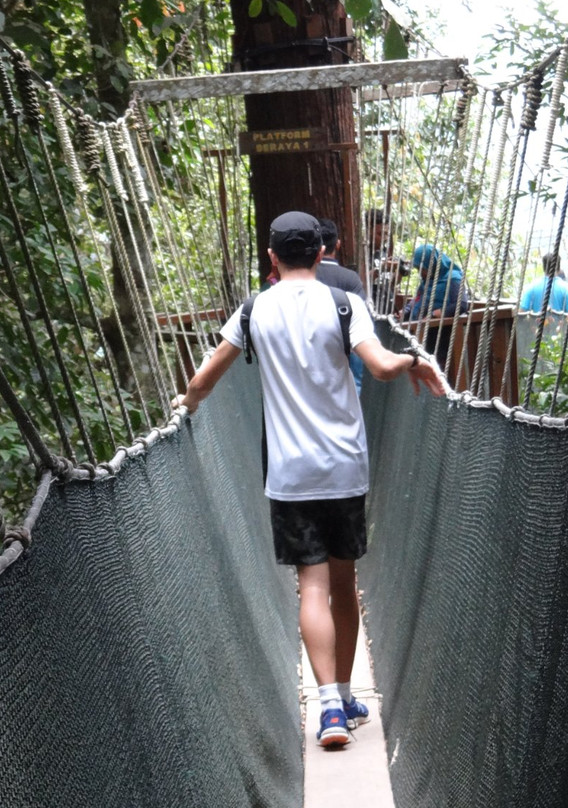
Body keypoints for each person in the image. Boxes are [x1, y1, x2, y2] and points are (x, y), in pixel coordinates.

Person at [171, 211, 446, 748]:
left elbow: (203, 379)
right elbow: (384, 366)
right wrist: (417, 360)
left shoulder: (252, 310)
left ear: (271, 258)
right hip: (344, 466)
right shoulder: (346, 304)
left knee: (312, 587)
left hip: (290, 474)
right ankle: (344, 695)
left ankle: (329, 711)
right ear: (321, 254)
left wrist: (187, 403)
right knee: (344, 585)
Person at [317, 217, 368, 395]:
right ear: (337, 244)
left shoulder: (302, 279)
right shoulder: (349, 277)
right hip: (349, 344)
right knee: (355, 383)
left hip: (316, 347)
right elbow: (363, 313)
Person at [401, 245, 469, 321]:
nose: (420, 273)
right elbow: (418, 298)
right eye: (418, 269)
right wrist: (406, 310)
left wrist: (434, 314)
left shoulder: (453, 278)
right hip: (416, 323)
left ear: (432, 265)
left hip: (435, 326)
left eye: (423, 269)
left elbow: (461, 305)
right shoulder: (428, 278)